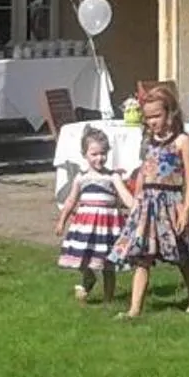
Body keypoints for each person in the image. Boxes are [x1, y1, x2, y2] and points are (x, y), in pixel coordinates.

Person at [112, 83, 189, 316]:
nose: (152, 122)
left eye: (157, 115)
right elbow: (144, 171)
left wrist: (186, 209)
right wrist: (137, 201)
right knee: (142, 257)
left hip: (171, 203)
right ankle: (134, 310)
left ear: (170, 112)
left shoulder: (182, 141)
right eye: (148, 118)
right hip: (147, 204)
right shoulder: (147, 142)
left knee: (182, 255)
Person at [55, 127, 134, 304]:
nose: (99, 158)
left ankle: (108, 299)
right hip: (86, 226)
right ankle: (88, 277)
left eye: (103, 153)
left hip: (107, 226)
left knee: (108, 264)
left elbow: (126, 196)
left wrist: (136, 207)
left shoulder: (112, 177)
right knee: (82, 258)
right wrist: (62, 221)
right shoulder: (80, 178)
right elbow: (70, 200)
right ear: (85, 154)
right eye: (94, 154)